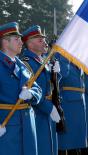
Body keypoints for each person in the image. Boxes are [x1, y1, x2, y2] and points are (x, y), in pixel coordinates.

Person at [0, 22, 42, 155]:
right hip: (7, 127)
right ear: (5, 43)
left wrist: (31, 94)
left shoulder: (22, 65)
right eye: (17, 39)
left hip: (28, 126)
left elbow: (38, 90)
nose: (21, 42)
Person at [20, 25, 61, 155]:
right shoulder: (26, 63)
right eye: (40, 40)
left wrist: (56, 75)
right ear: (30, 44)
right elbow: (32, 91)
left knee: (50, 147)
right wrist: (49, 108)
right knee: (42, 148)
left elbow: (50, 87)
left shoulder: (43, 60)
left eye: (44, 39)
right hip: (38, 113)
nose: (44, 42)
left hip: (49, 110)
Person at [56, 54, 88, 155]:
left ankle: (76, 151)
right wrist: (65, 56)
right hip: (68, 101)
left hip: (78, 100)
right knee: (67, 136)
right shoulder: (61, 56)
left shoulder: (76, 57)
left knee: (77, 133)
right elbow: (63, 74)